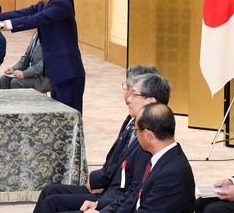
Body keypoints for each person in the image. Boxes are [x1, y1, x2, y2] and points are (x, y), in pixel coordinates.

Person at [33, 67, 169, 213]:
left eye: (134, 93)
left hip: (113, 198)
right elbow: (116, 162)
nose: (128, 98)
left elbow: (133, 191)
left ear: (150, 101)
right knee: (49, 192)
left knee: (52, 202)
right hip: (109, 191)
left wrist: (100, 204)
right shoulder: (132, 122)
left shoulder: (149, 138)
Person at [89, 103, 195, 213]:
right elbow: (132, 196)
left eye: (136, 130)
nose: (136, 135)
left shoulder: (171, 174)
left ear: (147, 135)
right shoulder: (163, 159)